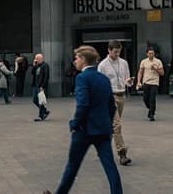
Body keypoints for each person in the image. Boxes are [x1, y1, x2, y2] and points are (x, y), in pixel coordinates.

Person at [43, 45, 123, 194]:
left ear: (84, 60)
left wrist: (75, 123)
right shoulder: (104, 79)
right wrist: (108, 124)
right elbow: (111, 106)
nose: (75, 61)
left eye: (77, 58)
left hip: (84, 130)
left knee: (72, 166)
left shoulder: (82, 77)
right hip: (103, 130)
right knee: (110, 166)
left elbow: (83, 104)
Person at [97, 41, 133, 166]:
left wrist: (129, 82)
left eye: (119, 52)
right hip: (109, 96)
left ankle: (102, 147)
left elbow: (126, 79)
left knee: (112, 126)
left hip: (121, 94)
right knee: (117, 125)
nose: (117, 54)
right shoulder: (102, 65)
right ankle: (122, 153)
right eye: (115, 51)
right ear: (109, 50)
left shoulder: (124, 63)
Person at [135, 46, 165, 122]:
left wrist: (156, 69)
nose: (151, 55)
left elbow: (162, 73)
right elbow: (140, 72)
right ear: (147, 54)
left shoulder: (158, 62)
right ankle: (151, 109)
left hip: (154, 82)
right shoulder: (144, 62)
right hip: (146, 82)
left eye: (152, 53)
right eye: (149, 53)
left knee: (152, 98)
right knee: (145, 99)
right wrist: (139, 81)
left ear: (154, 54)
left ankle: (152, 114)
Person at [31, 52, 51, 121]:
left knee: (40, 101)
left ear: (41, 59)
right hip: (35, 85)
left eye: (37, 58)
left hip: (41, 86)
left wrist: (43, 86)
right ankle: (45, 111)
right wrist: (34, 65)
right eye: (35, 58)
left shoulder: (45, 65)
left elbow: (46, 76)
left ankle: (41, 116)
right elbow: (32, 73)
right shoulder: (36, 66)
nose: (36, 60)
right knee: (35, 100)